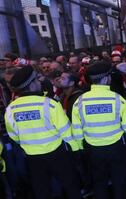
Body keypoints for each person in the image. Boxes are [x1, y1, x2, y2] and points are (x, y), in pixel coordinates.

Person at [5, 65, 81, 199]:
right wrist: (76, 150)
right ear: (31, 85)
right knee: (71, 186)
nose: (39, 82)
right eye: (36, 80)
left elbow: (14, 135)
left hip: (33, 157)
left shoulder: (11, 109)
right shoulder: (49, 104)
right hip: (57, 154)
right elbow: (66, 132)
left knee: (42, 190)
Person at [71, 61, 126, 199]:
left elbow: (76, 130)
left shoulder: (80, 101)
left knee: (99, 184)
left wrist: (81, 146)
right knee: (120, 183)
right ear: (106, 78)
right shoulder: (118, 99)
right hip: (117, 148)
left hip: (93, 149)